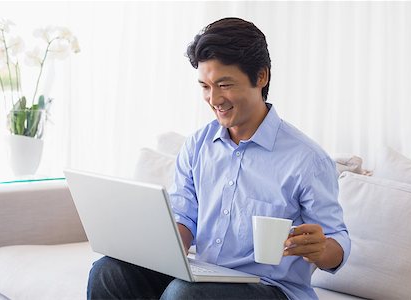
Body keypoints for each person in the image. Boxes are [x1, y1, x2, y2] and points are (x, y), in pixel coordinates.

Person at [87, 17, 350, 300]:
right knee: (108, 271)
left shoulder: (306, 159)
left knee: (184, 295)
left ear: (261, 77)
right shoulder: (198, 145)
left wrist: (322, 250)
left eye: (224, 85)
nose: (214, 99)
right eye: (205, 86)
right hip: (205, 277)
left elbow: (338, 240)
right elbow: (184, 218)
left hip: (271, 289)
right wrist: (151, 244)